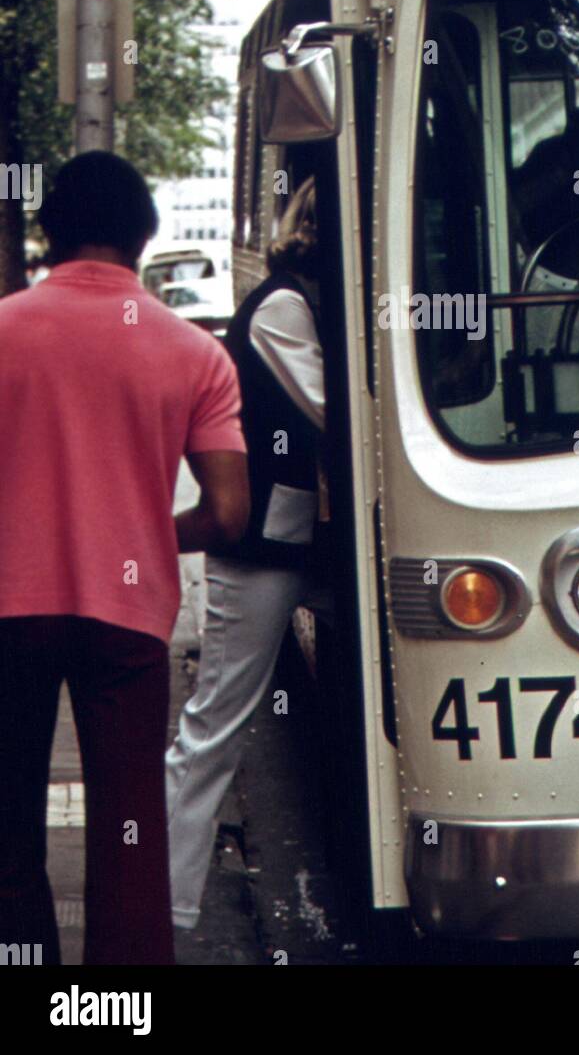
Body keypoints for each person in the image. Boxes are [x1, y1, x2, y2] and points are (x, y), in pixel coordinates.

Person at [0, 151, 249, 966]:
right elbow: (228, 511)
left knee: (8, 830)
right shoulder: (195, 354)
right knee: (129, 830)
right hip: (127, 620)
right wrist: (139, 528)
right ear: (146, 236)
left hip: (8, 614)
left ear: (47, 233)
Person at [166, 176, 325, 931]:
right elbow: (337, 412)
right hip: (260, 545)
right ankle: (166, 911)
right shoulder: (285, 306)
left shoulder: (302, 299)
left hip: (294, 538)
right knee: (215, 727)